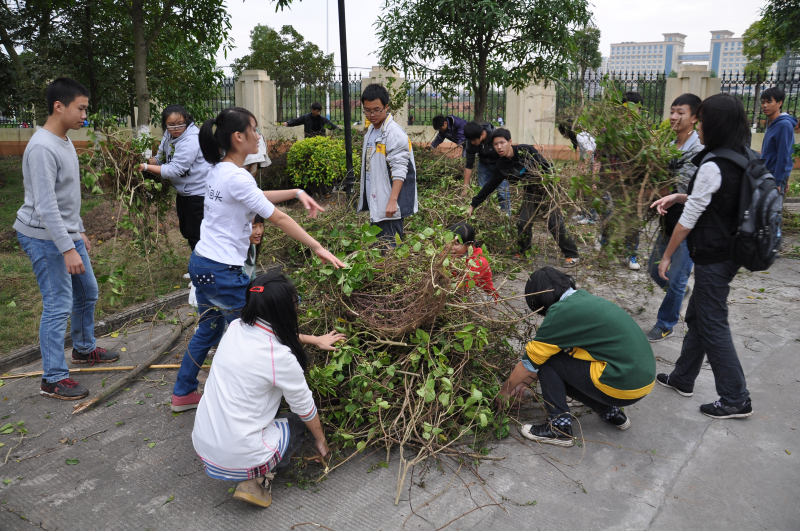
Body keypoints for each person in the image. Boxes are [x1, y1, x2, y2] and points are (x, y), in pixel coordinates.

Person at [171, 106, 345, 412]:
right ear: (239, 137)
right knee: (256, 329)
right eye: (255, 129)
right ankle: (239, 405)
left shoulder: (220, 170)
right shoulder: (236, 178)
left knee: (209, 330)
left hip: (203, 264)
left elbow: (256, 194)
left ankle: (183, 392)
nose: (259, 135)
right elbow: (277, 218)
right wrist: (317, 246)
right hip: (222, 272)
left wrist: (296, 191)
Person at [192, 272, 345, 508]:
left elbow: (272, 333)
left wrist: (313, 339)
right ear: (284, 310)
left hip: (204, 444)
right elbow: (306, 408)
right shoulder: (280, 358)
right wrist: (322, 441)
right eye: (296, 302)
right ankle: (258, 480)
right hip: (239, 455)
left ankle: (252, 465)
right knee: (297, 422)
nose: (297, 307)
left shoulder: (234, 328)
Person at [14, 78, 119, 400]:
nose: (84, 116)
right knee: (58, 304)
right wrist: (66, 248)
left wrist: (79, 231)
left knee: (87, 291)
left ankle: (84, 349)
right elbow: (45, 207)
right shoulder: (43, 147)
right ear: (59, 106)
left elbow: (64, 199)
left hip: (63, 232)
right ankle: (53, 378)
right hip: (43, 237)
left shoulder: (62, 140)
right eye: (81, 108)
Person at [651, 93, 753, 419]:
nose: (701, 125)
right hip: (731, 251)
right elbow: (713, 197)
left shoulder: (713, 163)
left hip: (713, 256)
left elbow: (688, 220)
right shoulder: (741, 155)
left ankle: (736, 397)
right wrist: (680, 194)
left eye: (704, 120)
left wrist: (666, 257)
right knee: (698, 317)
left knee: (712, 323)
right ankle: (683, 377)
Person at [495, 267, 655, 446]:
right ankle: (610, 411)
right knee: (561, 362)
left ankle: (559, 428)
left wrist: (504, 392)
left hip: (619, 384)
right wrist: (522, 384)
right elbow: (558, 359)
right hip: (642, 382)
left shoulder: (560, 313)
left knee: (549, 361)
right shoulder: (583, 300)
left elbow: (530, 364)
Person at [466, 128, 581, 267]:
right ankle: (524, 252)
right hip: (531, 193)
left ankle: (572, 255)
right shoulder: (502, 165)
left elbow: (546, 167)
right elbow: (489, 186)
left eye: (502, 142)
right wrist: (473, 204)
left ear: (510, 142)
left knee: (554, 224)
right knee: (522, 222)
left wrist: (551, 184)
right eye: (495, 144)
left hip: (547, 190)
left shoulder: (525, 151)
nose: (499, 147)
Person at [645, 94, 704, 342]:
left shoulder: (699, 150)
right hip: (669, 219)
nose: (673, 117)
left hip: (689, 223)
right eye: (672, 111)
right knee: (655, 270)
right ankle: (679, 293)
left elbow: (693, 192)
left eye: (680, 112)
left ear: (695, 118)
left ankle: (666, 323)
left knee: (676, 276)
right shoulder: (670, 144)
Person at [137, 105, 212, 256]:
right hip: (184, 192)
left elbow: (174, 170)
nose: (176, 128)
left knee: (196, 234)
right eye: (171, 125)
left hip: (198, 193)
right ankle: (197, 267)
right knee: (187, 230)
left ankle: (201, 273)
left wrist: (145, 167)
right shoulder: (169, 135)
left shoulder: (191, 140)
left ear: (187, 121)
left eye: (180, 124)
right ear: (165, 124)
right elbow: (161, 157)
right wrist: (150, 161)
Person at [357, 84, 418, 244]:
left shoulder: (394, 133)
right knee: (378, 248)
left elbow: (399, 169)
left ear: (386, 107)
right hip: (378, 200)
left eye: (377, 110)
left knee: (390, 250)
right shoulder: (371, 131)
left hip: (389, 205)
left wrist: (392, 201)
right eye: (368, 110)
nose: (372, 114)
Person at [461, 121, 510, 214]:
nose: (472, 142)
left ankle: (507, 218)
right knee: (482, 191)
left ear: (482, 134)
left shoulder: (494, 137)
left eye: (474, 140)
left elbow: (506, 153)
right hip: (483, 164)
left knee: (503, 193)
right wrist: (465, 187)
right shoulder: (470, 142)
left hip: (499, 163)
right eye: (470, 140)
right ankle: (485, 217)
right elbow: (469, 165)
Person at [759, 87, 797, 194]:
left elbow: (784, 154)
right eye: (763, 102)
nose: (765, 106)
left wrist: (779, 181)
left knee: (773, 209)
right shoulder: (771, 123)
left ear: (779, 103)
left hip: (774, 178)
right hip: (768, 174)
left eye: (769, 102)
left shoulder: (784, 125)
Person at [448, 222, 497, 297]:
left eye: (456, 244)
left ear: (469, 246)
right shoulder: (447, 254)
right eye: (449, 242)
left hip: (481, 296)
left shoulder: (477, 262)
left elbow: (463, 288)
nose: (450, 247)